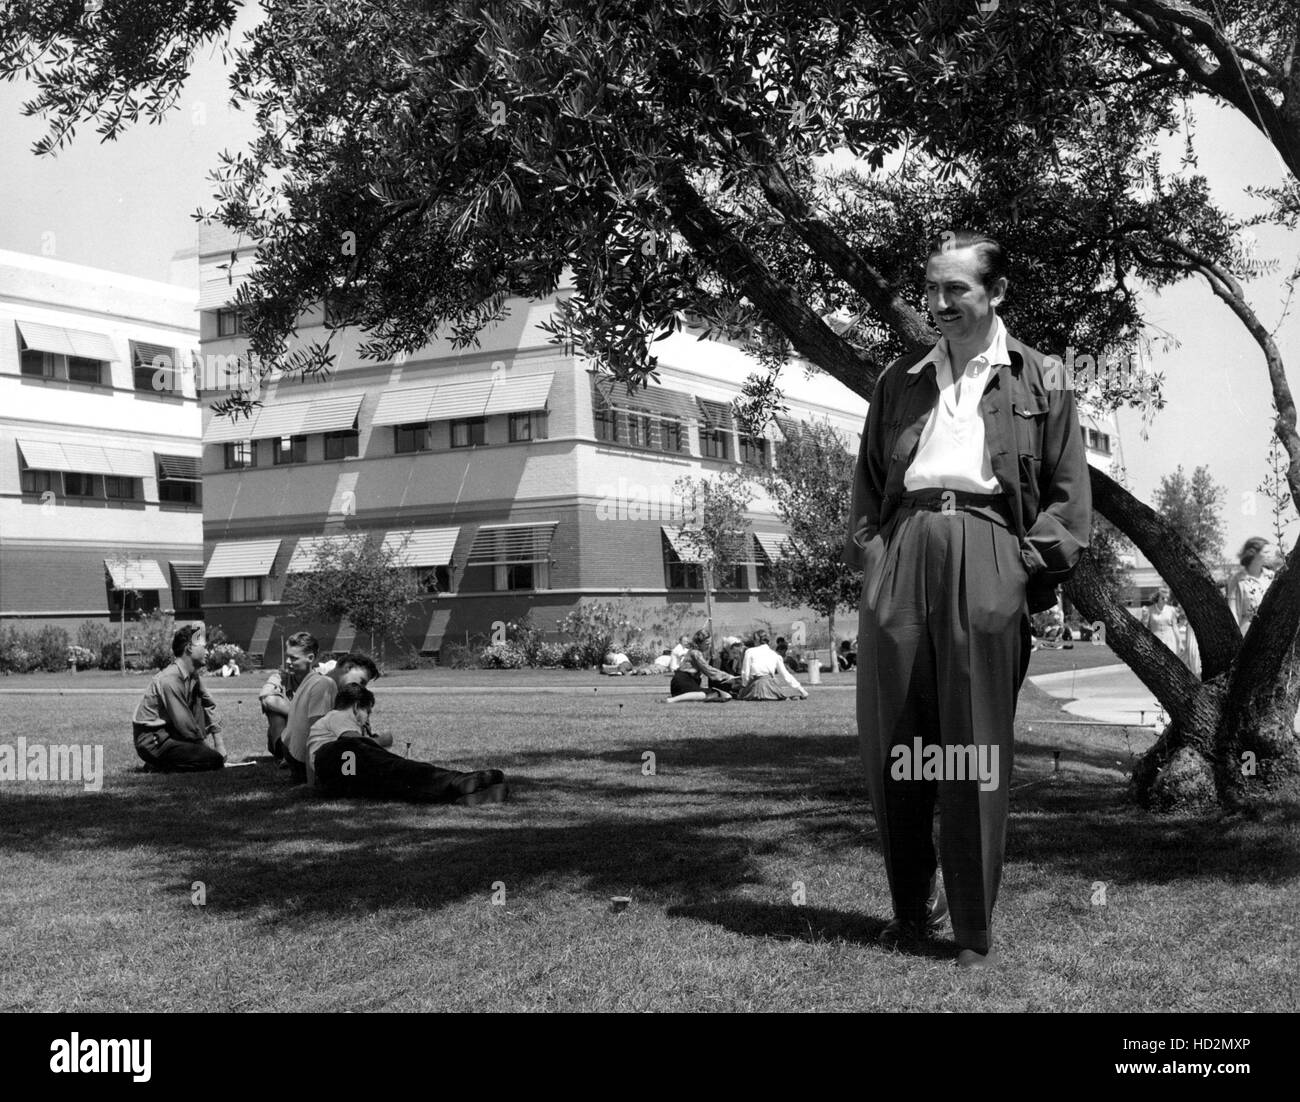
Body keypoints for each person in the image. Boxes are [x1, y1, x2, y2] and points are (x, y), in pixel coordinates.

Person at [845, 230, 1091, 969]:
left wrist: (1021, 567)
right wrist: (874, 557)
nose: (939, 304)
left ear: (996, 293)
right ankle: (910, 913)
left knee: (972, 750)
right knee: (896, 746)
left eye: (957, 290)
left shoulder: (1043, 377)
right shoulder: (900, 378)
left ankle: (972, 931)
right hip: (904, 550)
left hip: (988, 550)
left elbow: (1068, 497)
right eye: (931, 289)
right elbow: (865, 485)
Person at [309, 684, 508, 804]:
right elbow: (352, 743)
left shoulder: (330, 724)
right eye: (367, 712)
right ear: (355, 707)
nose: (367, 719)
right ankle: (459, 781)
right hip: (337, 761)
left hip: (339, 781)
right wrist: (382, 742)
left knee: (397, 784)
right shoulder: (338, 716)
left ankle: (457, 797)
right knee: (396, 768)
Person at [132, 624, 228, 772]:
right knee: (213, 760)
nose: (208, 652)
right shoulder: (170, 679)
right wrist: (208, 751)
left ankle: (162, 762)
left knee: (199, 701)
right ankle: (158, 764)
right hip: (153, 740)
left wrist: (219, 744)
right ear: (189, 648)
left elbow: (209, 704)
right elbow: (184, 722)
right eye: (204, 647)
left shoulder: (193, 676)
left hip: (171, 734)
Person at [282, 648, 380, 783]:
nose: (361, 687)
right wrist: (312, 782)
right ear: (348, 667)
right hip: (305, 764)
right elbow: (314, 736)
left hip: (293, 756)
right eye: (362, 681)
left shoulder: (314, 678)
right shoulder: (326, 685)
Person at [259, 631, 317, 758]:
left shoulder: (321, 682)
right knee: (274, 710)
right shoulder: (280, 678)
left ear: (310, 658)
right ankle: (284, 753)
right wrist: (301, 715)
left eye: (294, 658)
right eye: (287, 656)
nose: (288, 661)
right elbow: (267, 698)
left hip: (312, 738)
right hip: (283, 736)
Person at [1226, 537, 1281, 635]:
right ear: (1253, 553)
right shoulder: (1237, 580)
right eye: (1266, 552)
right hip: (1247, 633)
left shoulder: (1271, 576)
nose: (1269, 556)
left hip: (1270, 633)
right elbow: (1233, 613)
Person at [666, 629, 738, 702]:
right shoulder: (695, 653)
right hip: (683, 682)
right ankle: (673, 700)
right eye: (707, 644)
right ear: (699, 643)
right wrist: (728, 677)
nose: (709, 646)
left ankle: (678, 698)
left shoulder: (694, 651)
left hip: (681, 682)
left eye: (710, 644)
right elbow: (708, 670)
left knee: (721, 694)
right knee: (710, 693)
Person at [738, 630, 808, 700]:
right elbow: (786, 675)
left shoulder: (749, 652)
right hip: (772, 687)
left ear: (756, 640)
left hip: (756, 687)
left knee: (740, 695)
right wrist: (802, 690)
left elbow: (745, 674)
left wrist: (744, 687)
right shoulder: (775, 655)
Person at [1142, 586, 1181, 656]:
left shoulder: (1172, 610)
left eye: (1167, 598)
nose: (1165, 600)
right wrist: (1144, 618)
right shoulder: (1149, 610)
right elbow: (1144, 627)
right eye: (1163, 598)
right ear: (1157, 598)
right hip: (1155, 642)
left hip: (1170, 642)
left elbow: (1175, 627)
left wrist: (1179, 642)